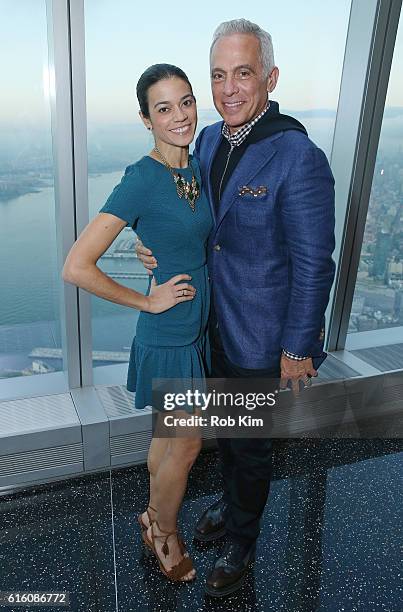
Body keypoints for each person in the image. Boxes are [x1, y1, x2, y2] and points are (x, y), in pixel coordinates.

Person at [136, 19, 336, 597]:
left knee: (250, 447)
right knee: (226, 430)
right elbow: (199, 225)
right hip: (209, 326)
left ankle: (241, 544)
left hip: (261, 335)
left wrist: (298, 346)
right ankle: (229, 504)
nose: (229, 89)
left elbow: (313, 263)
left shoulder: (297, 155)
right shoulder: (205, 142)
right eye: (219, 76)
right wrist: (156, 243)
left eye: (243, 74)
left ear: (269, 78)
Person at [62, 64, 214, 583]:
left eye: (186, 102)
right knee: (188, 442)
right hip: (169, 331)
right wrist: (147, 303)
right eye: (164, 108)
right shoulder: (142, 177)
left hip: (195, 326)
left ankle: (153, 514)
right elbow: (77, 266)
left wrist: (155, 248)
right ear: (146, 118)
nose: (179, 116)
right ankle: (164, 535)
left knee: (168, 437)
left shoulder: (196, 164)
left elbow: (191, 236)